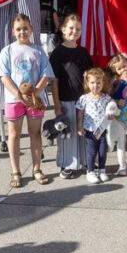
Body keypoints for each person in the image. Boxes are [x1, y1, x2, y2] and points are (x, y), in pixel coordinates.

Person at [0, 13, 54, 188]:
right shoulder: (8, 50)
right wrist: (19, 95)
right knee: (13, 135)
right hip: (14, 100)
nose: (22, 32)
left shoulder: (38, 50)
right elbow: (3, 76)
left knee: (35, 134)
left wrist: (35, 92)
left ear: (31, 29)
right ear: (13, 31)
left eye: (25, 28)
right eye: (18, 29)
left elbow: (46, 74)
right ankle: (16, 171)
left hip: (36, 100)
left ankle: (37, 168)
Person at [49, 14, 93, 179]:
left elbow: (89, 75)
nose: (74, 31)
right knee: (67, 132)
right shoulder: (57, 53)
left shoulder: (82, 52)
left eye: (78, 29)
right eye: (71, 28)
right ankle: (66, 164)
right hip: (65, 99)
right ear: (63, 29)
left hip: (82, 100)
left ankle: (84, 160)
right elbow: (54, 81)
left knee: (83, 131)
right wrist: (57, 105)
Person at [76, 67, 114, 185]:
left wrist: (112, 114)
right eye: (92, 83)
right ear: (87, 83)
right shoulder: (84, 98)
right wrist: (79, 126)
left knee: (103, 151)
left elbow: (111, 110)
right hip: (90, 130)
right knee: (91, 152)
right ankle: (90, 172)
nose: (95, 85)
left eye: (98, 83)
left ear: (103, 83)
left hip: (103, 130)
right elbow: (80, 113)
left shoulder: (106, 98)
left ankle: (102, 170)